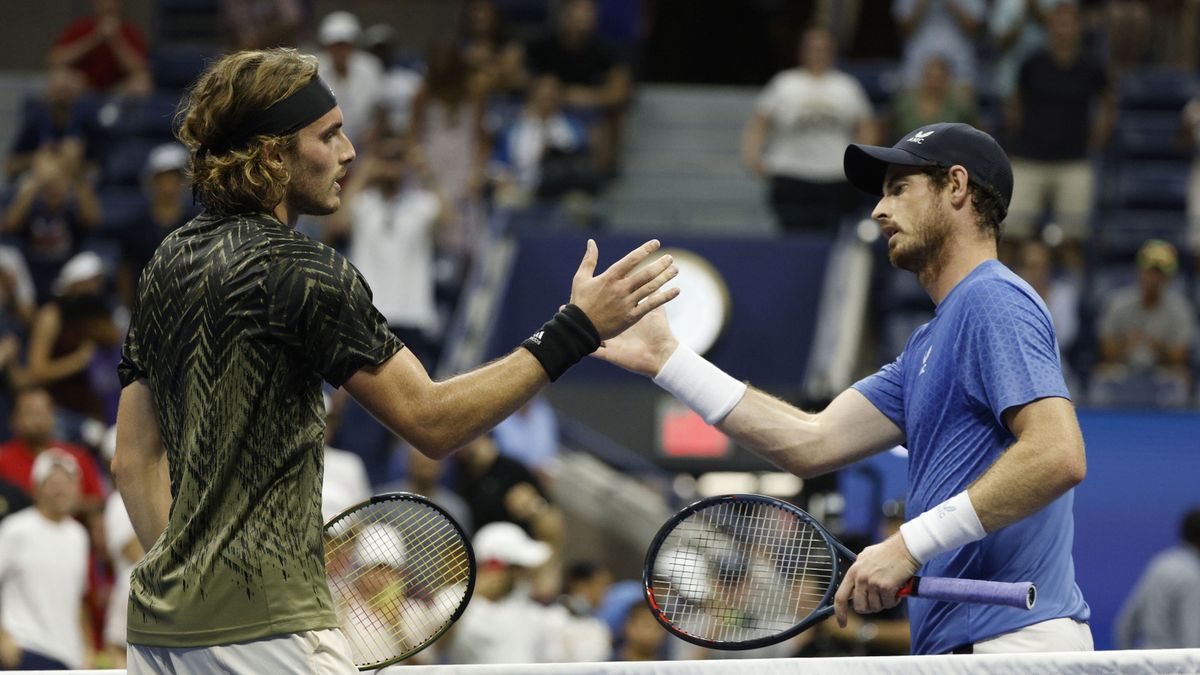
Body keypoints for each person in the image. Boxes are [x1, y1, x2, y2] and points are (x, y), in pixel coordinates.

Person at [111, 47, 677, 674]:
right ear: (274, 155)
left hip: (160, 629)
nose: (350, 151)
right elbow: (432, 423)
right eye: (328, 136)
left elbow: (132, 461)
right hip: (263, 630)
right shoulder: (300, 269)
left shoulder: (168, 262)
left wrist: (194, 582)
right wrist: (575, 330)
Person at [596, 122, 1092, 655]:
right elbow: (810, 442)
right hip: (969, 648)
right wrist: (667, 361)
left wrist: (908, 545)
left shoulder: (992, 299)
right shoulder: (929, 342)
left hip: (1012, 645)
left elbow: (1056, 455)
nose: (879, 211)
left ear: (956, 186)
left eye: (899, 189)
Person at [740, 26, 877, 233]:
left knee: (833, 238)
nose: (818, 53)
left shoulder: (847, 86)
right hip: (791, 174)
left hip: (835, 176)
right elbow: (759, 124)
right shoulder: (784, 83)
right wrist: (752, 156)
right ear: (802, 51)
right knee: (792, 236)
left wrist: (861, 165)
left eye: (824, 48)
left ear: (832, 51)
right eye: (813, 47)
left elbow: (866, 126)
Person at [0, 449, 94, 670]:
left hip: (71, 658)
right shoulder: (15, 529)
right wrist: (3, 637)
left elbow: (78, 600)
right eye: (53, 483)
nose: (61, 489)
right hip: (26, 649)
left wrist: (87, 648)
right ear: (36, 488)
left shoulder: (79, 535)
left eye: (68, 482)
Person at [1115, 507, 1200, 649]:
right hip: (1178, 668)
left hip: (1149, 666)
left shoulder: (1159, 564)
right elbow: (1192, 642)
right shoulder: (1192, 577)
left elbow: (1125, 625)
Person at [48, 0, 150, 95]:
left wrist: (115, 40)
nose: (108, 4)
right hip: (84, 87)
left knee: (141, 82)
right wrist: (96, 37)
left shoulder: (130, 30)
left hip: (117, 92)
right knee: (59, 78)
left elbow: (139, 69)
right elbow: (55, 59)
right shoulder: (81, 27)